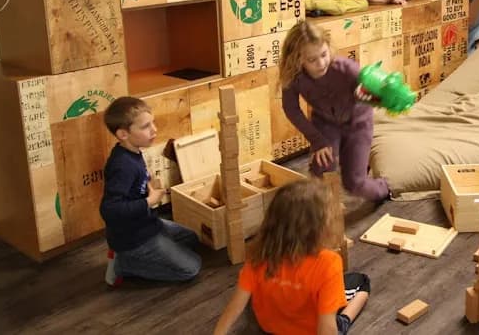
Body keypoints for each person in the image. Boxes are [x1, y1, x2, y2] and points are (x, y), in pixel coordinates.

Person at [213, 180, 371, 335]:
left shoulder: (259, 253)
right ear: (318, 227)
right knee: (361, 281)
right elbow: (326, 328)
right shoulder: (329, 263)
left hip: (270, 329)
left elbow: (235, 307)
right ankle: (344, 319)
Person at [279, 20, 391, 201]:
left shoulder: (346, 69)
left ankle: (385, 188)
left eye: (324, 54)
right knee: (321, 172)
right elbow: (290, 109)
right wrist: (317, 141)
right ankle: (322, 215)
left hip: (357, 123)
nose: (321, 63)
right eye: (312, 59)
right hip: (326, 123)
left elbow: (375, 95)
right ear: (297, 59)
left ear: (328, 48)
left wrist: (379, 95)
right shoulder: (293, 77)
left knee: (354, 183)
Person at [100, 96, 201, 286]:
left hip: (148, 223)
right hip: (133, 237)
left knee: (192, 239)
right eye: (146, 126)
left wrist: (149, 187)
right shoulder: (122, 165)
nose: (154, 129)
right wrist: (149, 201)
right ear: (123, 134)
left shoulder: (133, 151)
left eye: (152, 122)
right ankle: (124, 264)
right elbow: (109, 210)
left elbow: (134, 187)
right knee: (191, 268)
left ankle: (147, 252)